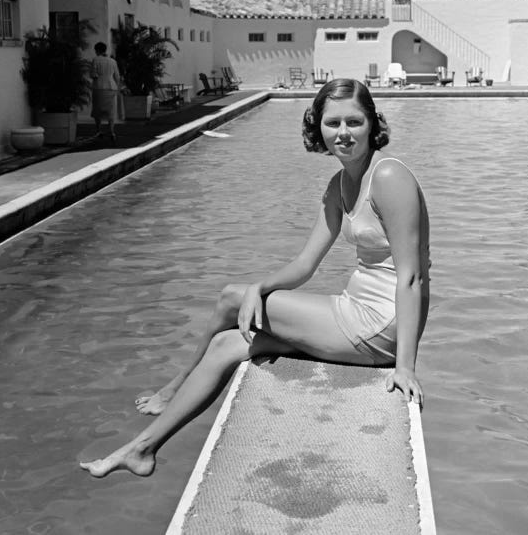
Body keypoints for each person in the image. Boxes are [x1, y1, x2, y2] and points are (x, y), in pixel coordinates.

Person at [80, 78, 430, 478]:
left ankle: (175, 384)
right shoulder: (339, 185)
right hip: (354, 309)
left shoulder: (388, 177)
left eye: (354, 122)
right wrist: (261, 288)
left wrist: (405, 366)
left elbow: (412, 278)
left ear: (373, 123)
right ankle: (142, 449)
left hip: (383, 323)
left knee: (232, 298)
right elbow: (304, 264)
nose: (344, 134)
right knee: (229, 344)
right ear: (318, 127)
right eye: (333, 124)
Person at [90, 42, 121, 141]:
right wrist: (117, 86)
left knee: (97, 110)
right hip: (111, 87)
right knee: (111, 110)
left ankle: (98, 130)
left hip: (99, 87)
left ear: (97, 50)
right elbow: (117, 76)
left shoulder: (96, 60)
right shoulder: (112, 61)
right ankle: (111, 131)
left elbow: (93, 74)